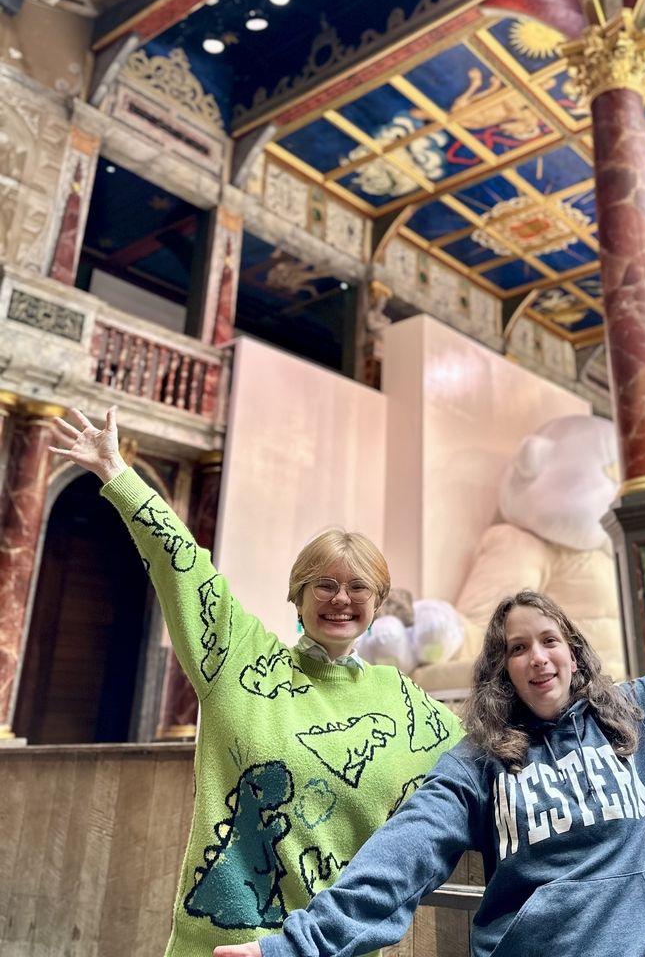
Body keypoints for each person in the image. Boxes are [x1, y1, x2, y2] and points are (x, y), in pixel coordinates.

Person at [213, 565, 645, 957]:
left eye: (550, 641)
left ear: (573, 652)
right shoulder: (477, 763)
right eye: (517, 648)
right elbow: (401, 856)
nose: (537, 658)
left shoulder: (636, 714)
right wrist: (292, 949)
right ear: (502, 669)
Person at [49, 406, 462, 957]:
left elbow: (491, 753)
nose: (340, 598)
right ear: (296, 595)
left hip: (335, 948)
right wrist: (117, 474)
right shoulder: (240, 660)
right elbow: (182, 566)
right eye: (323, 584)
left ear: (378, 604)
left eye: (358, 587)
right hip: (224, 945)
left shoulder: (403, 699)